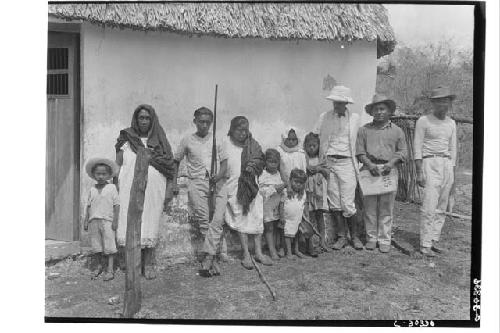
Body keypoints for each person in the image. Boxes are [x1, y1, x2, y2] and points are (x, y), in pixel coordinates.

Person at [200, 116, 272, 276]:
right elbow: (219, 164)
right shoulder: (225, 144)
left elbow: (260, 161)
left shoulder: (253, 144)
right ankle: (246, 253)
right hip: (233, 186)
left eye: (245, 130)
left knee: (257, 216)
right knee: (241, 217)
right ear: (232, 130)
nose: (242, 133)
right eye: (239, 130)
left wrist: (253, 170)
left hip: (252, 186)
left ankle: (259, 252)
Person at [115, 104, 176, 279]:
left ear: (152, 120)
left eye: (147, 118)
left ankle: (148, 263)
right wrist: (116, 184)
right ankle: (132, 262)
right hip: (129, 186)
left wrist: (170, 188)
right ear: (136, 118)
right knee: (129, 220)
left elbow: (169, 164)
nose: (144, 121)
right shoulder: (126, 138)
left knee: (150, 220)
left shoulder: (160, 140)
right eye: (141, 117)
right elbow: (118, 164)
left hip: (153, 188)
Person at [172, 107, 228, 260]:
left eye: (208, 122)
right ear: (195, 121)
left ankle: (212, 253)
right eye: (201, 122)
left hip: (217, 183)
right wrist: (174, 183)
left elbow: (224, 163)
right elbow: (176, 161)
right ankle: (213, 255)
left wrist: (219, 176)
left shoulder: (218, 139)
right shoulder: (187, 140)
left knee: (217, 219)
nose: (204, 125)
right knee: (204, 220)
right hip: (196, 182)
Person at [313, 85, 363, 250]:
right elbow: (314, 136)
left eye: (340, 102)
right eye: (335, 101)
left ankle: (354, 237)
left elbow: (359, 139)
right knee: (334, 202)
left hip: (347, 162)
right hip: (329, 162)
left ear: (346, 103)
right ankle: (341, 237)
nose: (337, 105)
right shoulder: (324, 117)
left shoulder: (355, 118)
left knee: (348, 202)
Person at [356, 94, 407, 253]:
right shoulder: (364, 130)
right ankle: (371, 237)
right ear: (371, 112)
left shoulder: (397, 131)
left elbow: (403, 152)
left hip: (388, 170)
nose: (379, 112)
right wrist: (369, 164)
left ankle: (385, 239)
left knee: (386, 206)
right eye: (376, 109)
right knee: (370, 206)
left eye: (382, 109)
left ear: (389, 111)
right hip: (369, 169)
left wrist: (391, 163)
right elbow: (359, 151)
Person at [414, 86, 457, 257]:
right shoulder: (424, 121)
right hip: (429, 162)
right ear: (433, 103)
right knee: (429, 205)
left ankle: (433, 239)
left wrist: (452, 171)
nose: (442, 104)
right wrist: (419, 171)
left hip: (446, 163)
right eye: (438, 100)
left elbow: (453, 149)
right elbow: (417, 146)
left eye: (445, 100)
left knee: (442, 204)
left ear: (449, 103)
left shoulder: (451, 123)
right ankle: (424, 244)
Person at [83, 158, 120, 281]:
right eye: (98, 174)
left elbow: (116, 205)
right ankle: (98, 266)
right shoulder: (92, 189)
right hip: (94, 221)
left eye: (104, 174)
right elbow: (88, 205)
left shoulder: (112, 188)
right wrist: (86, 219)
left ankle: (110, 269)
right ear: (94, 174)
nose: (100, 176)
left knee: (109, 246)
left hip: (107, 221)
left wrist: (115, 221)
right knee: (97, 246)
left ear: (109, 175)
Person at [303, 132, 331, 256]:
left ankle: (323, 241)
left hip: (319, 193)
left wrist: (319, 169)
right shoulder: (304, 159)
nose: (312, 148)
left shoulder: (321, 159)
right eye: (309, 146)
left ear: (318, 146)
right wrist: (307, 169)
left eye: (314, 145)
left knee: (319, 217)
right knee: (309, 218)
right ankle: (310, 245)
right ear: (305, 146)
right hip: (308, 192)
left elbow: (327, 172)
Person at [258, 148, 286, 260]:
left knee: (276, 227)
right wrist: (274, 188)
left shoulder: (278, 174)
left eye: (275, 162)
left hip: (277, 205)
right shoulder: (263, 174)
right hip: (268, 206)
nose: (273, 165)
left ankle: (277, 246)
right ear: (265, 162)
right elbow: (261, 190)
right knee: (269, 228)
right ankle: (272, 250)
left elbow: (282, 188)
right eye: (270, 161)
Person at [279, 169, 308, 259]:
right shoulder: (286, 192)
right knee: (287, 235)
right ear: (290, 180)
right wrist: (281, 216)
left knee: (296, 234)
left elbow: (305, 204)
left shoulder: (303, 194)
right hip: (288, 219)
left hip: (298, 218)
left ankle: (296, 250)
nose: (298, 184)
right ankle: (289, 253)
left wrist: (306, 216)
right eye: (296, 182)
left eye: (301, 183)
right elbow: (281, 204)